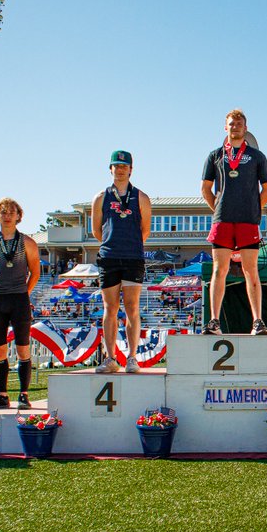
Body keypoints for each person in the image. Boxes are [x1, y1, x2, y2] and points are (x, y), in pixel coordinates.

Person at [202, 109, 267, 336]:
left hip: (247, 221)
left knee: (250, 270)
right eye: (231, 124)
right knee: (219, 269)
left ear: (245, 128)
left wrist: (254, 208)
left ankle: (258, 321)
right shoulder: (215, 155)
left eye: (239, 123)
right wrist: (218, 208)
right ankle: (214, 321)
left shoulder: (257, 156)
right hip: (222, 220)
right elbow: (205, 188)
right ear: (226, 127)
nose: (235, 127)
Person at [91, 150, 152, 373]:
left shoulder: (141, 197)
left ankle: (133, 357)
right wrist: (112, 243)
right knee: (110, 308)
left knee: (132, 307)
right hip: (108, 257)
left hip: (133, 257)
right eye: (116, 166)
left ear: (131, 170)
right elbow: (97, 230)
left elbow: (144, 231)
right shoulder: (100, 197)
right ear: (110, 169)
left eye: (124, 166)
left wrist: (129, 245)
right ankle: (110, 358)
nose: (120, 170)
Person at [0, 198, 42, 408]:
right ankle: (2, 395)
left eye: (11, 212)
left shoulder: (27, 242)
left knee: (23, 348)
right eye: (3, 212)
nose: (7, 216)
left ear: (18, 216)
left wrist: (24, 292)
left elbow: (36, 271)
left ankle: (23, 394)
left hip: (19, 299)